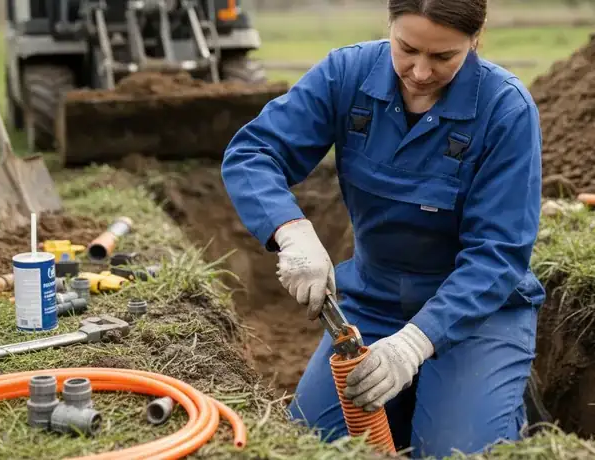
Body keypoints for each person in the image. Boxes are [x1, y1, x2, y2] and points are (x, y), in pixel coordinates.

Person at [220, 0, 546, 457]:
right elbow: (253, 152)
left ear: (475, 38)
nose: (420, 72)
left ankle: (499, 399)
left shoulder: (505, 110)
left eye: (443, 57)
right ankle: (419, 399)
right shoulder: (346, 74)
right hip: (372, 303)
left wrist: (414, 344)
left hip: (476, 314)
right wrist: (291, 230)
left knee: (456, 451)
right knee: (316, 447)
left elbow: (497, 254)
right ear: (389, 26)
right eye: (407, 48)